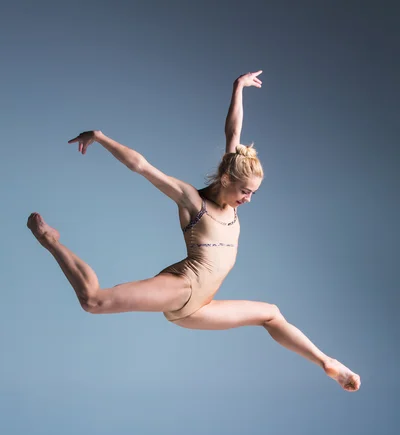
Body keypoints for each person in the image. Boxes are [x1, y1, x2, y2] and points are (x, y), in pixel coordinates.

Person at [27, 71, 361, 392]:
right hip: (184, 287)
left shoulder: (232, 177)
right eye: (246, 192)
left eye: (254, 194)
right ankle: (50, 241)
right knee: (94, 301)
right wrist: (100, 138)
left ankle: (327, 362)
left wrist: (238, 88)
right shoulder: (193, 202)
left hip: (201, 307)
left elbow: (233, 131)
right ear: (227, 180)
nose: (248, 199)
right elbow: (142, 167)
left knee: (271, 314)